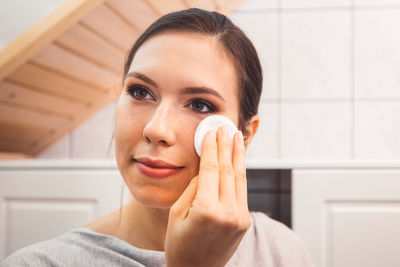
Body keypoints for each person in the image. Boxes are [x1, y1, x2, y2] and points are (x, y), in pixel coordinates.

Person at [2, 8, 314, 267]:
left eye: (200, 104)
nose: (156, 129)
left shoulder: (281, 250)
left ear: (244, 135)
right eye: (140, 92)